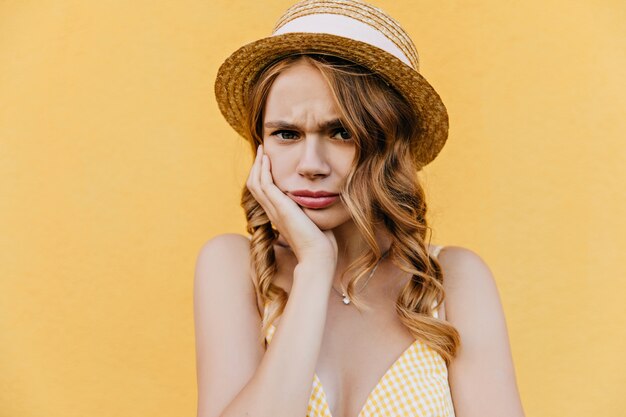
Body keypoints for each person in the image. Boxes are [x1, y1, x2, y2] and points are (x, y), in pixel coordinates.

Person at [195, 1, 526, 416]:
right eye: (286, 133)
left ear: (387, 145)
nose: (311, 165)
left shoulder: (453, 282)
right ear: (261, 146)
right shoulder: (233, 267)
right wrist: (314, 266)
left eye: (341, 132)